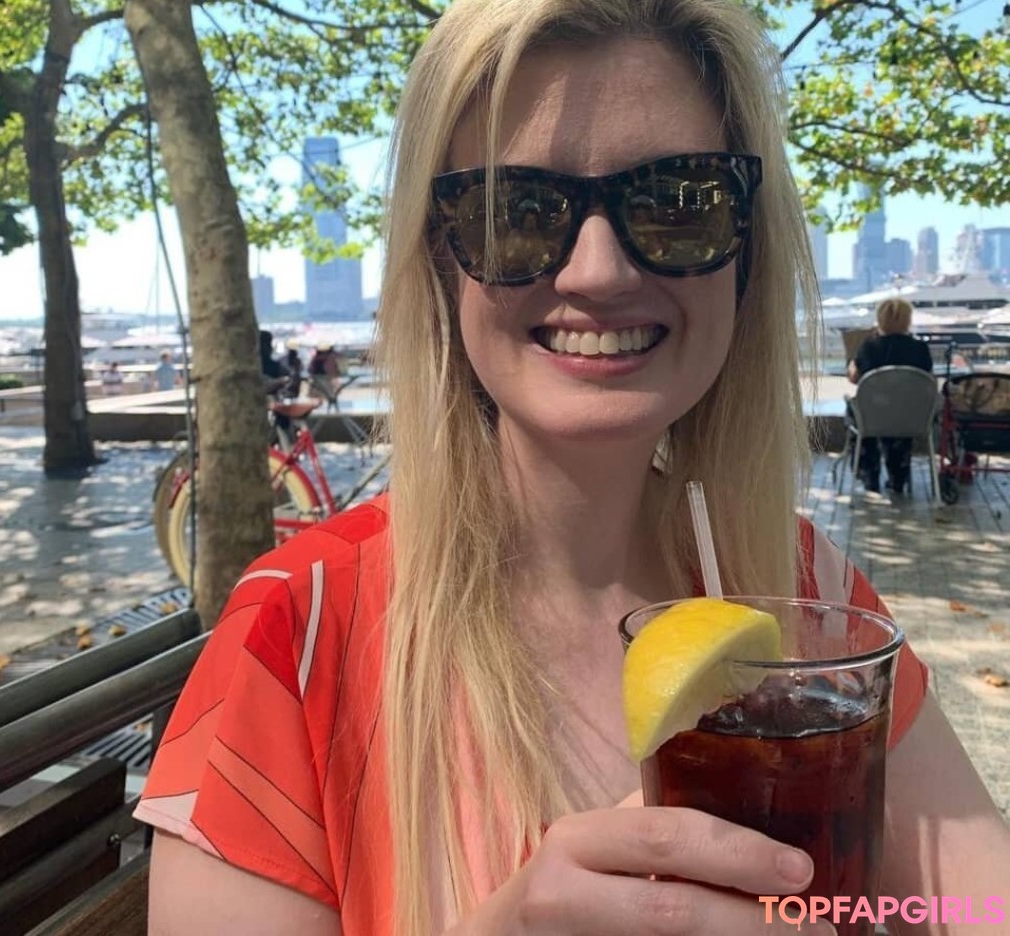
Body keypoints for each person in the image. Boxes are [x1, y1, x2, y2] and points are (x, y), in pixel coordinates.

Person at [138, 1, 1010, 933]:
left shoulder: (809, 597)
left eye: (678, 201)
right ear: (440, 264)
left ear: (746, 255)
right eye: (515, 212)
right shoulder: (295, 635)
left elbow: (977, 903)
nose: (598, 271)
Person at [846, 298, 934, 493]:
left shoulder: (869, 347)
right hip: (910, 418)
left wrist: (852, 363)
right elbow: (928, 379)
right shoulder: (920, 349)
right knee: (901, 418)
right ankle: (898, 477)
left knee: (860, 412)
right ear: (907, 320)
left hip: (872, 416)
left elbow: (854, 378)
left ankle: (869, 475)